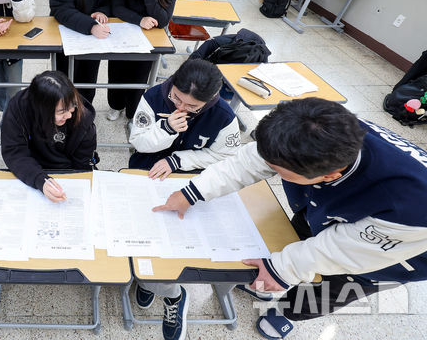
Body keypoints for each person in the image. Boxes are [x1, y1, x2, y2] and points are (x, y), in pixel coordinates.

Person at [154, 98, 427, 339]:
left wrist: (282, 270)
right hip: (326, 209)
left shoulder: (412, 205)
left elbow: (340, 251)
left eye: (278, 171)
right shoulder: (317, 130)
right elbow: (249, 162)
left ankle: (287, 313)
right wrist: (193, 192)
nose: (269, 169)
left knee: (333, 285)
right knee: (297, 237)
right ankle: (273, 279)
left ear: (329, 175)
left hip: (395, 250)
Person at [127, 58, 240, 340]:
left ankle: (164, 288)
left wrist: (179, 160)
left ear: (210, 99)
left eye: (192, 106)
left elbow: (225, 157)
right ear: (173, 83)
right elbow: (137, 141)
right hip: (146, 171)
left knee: (179, 239)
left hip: (191, 180)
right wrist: (165, 130)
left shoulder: (224, 116)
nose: (181, 108)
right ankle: (154, 283)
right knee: (140, 230)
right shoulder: (154, 97)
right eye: (177, 98)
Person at [107, 0, 179, 122]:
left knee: (139, 78)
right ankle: (116, 106)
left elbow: (163, 20)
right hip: (123, 32)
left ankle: (132, 113)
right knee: (116, 73)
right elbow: (116, 7)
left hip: (148, 39)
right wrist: (140, 20)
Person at [1, 70, 97, 202]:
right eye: (61, 112)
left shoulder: (82, 117)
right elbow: (14, 152)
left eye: (72, 106)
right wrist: (40, 180)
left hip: (68, 170)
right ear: (42, 109)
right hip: (31, 167)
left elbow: (82, 163)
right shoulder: (18, 108)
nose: (69, 115)